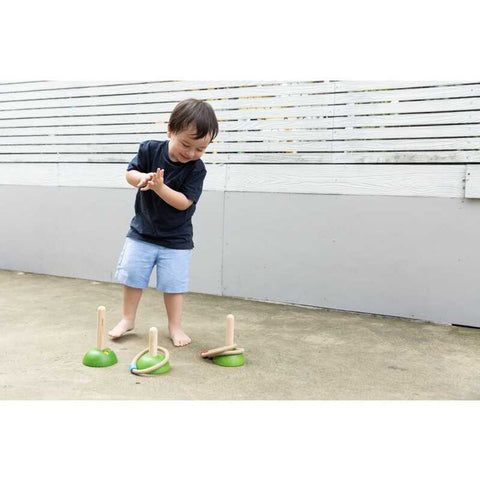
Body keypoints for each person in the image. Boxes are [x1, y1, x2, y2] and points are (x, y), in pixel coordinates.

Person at [108, 98, 218, 346]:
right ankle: (128, 319)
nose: (191, 153)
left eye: (200, 149)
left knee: (173, 286)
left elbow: (183, 203)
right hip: (141, 232)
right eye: (186, 145)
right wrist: (143, 178)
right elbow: (129, 173)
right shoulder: (149, 149)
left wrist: (159, 187)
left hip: (176, 240)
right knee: (132, 277)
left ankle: (175, 327)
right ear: (170, 130)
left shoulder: (196, 169)